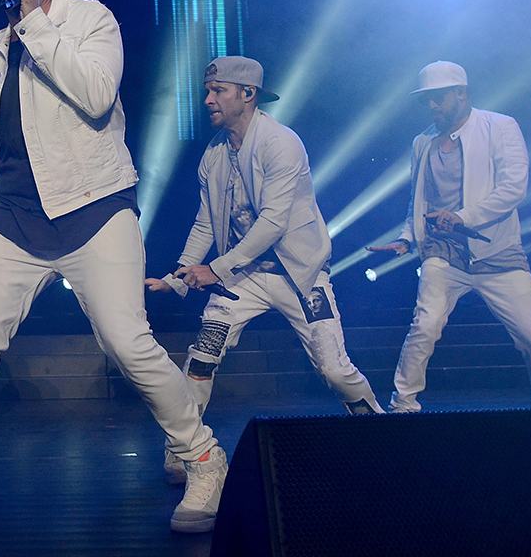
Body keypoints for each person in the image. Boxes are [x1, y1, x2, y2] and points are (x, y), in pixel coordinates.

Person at [0, 0, 226, 535]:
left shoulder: (90, 19)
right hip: (14, 220)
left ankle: (202, 457)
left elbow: (95, 95)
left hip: (94, 206)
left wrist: (33, 22)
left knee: (126, 342)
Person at [146, 56, 384, 482]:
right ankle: (182, 447)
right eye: (208, 90)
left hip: (299, 275)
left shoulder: (281, 143)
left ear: (248, 94)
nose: (207, 100)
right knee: (201, 356)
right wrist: (179, 276)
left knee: (334, 368)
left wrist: (215, 269)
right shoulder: (215, 153)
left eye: (218, 91)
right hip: (243, 276)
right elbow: (206, 221)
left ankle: (380, 431)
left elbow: (273, 222)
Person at [368, 61, 531, 412]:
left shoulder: (500, 127)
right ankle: (402, 406)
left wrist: (462, 217)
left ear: (461, 93)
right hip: (443, 254)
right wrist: (407, 238)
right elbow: (419, 199)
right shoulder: (422, 143)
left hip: (497, 252)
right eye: (426, 100)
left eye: (438, 98)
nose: (431, 106)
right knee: (425, 326)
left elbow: (514, 188)